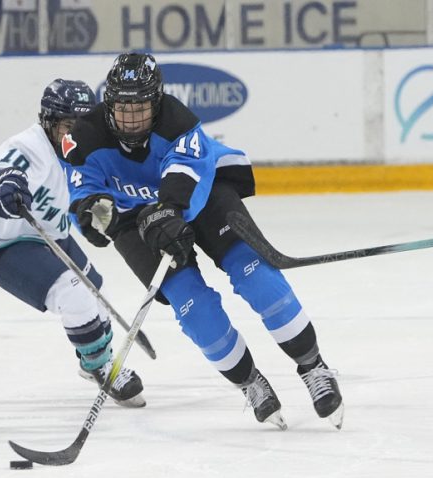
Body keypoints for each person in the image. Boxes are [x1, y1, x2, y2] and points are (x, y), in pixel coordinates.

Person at [63, 53, 344, 429]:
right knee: (194, 309)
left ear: (158, 101)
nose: (131, 118)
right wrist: (96, 215)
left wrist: (168, 212)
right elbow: (84, 195)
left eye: (141, 107)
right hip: (134, 222)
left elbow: (186, 175)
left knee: (255, 276)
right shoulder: (83, 137)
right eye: (123, 107)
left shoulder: (178, 121)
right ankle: (250, 382)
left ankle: (313, 367)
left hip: (201, 197)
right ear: (108, 104)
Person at [0, 79, 146, 408]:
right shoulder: (29, 148)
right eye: (67, 126)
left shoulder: (83, 151)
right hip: (0, 241)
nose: (74, 135)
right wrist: (8, 185)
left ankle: (94, 358)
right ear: (48, 122)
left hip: (47, 231)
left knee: (94, 293)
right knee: (73, 292)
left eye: (82, 126)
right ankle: (100, 366)